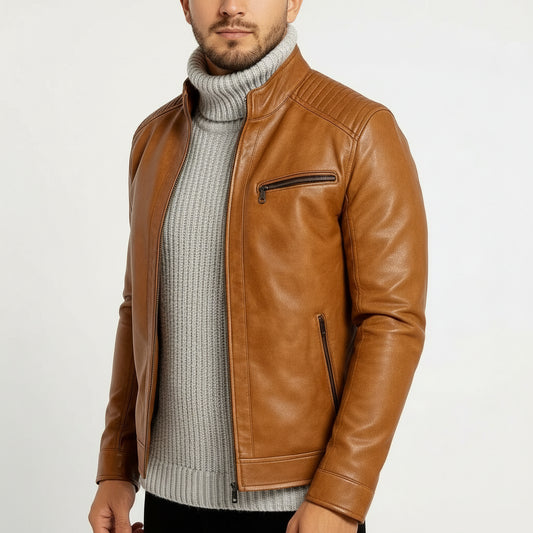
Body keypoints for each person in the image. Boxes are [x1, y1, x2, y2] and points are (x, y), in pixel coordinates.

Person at [88, 0, 428, 531]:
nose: (232, 7)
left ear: (294, 2)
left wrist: (341, 495)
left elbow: (392, 322)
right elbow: (138, 309)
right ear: (185, 5)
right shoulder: (152, 140)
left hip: (301, 506)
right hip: (168, 498)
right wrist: (117, 465)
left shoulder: (356, 130)